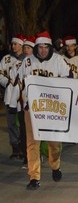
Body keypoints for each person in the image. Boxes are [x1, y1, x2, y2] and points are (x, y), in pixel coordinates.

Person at [16, 31, 71, 190]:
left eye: (45, 47)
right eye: (39, 47)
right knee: (32, 143)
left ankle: (55, 166)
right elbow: (20, 82)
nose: (42, 50)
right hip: (32, 109)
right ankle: (34, 177)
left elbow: (69, 78)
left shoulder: (58, 60)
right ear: (36, 48)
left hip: (52, 110)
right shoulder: (27, 62)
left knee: (53, 142)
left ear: (50, 47)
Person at [9, 35, 36, 169]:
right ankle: (27, 159)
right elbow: (15, 85)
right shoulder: (18, 65)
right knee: (25, 132)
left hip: (38, 105)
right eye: (24, 47)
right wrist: (13, 104)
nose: (25, 50)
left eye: (28, 47)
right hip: (23, 104)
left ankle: (39, 155)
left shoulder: (38, 63)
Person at [0, 34, 25, 160]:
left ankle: (22, 145)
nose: (13, 46)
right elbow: (0, 74)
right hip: (9, 96)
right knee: (11, 122)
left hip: (22, 97)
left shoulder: (26, 59)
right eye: (12, 44)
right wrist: (7, 83)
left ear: (21, 45)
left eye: (16, 44)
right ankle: (15, 147)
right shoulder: (6, 59)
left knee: (21, 122)